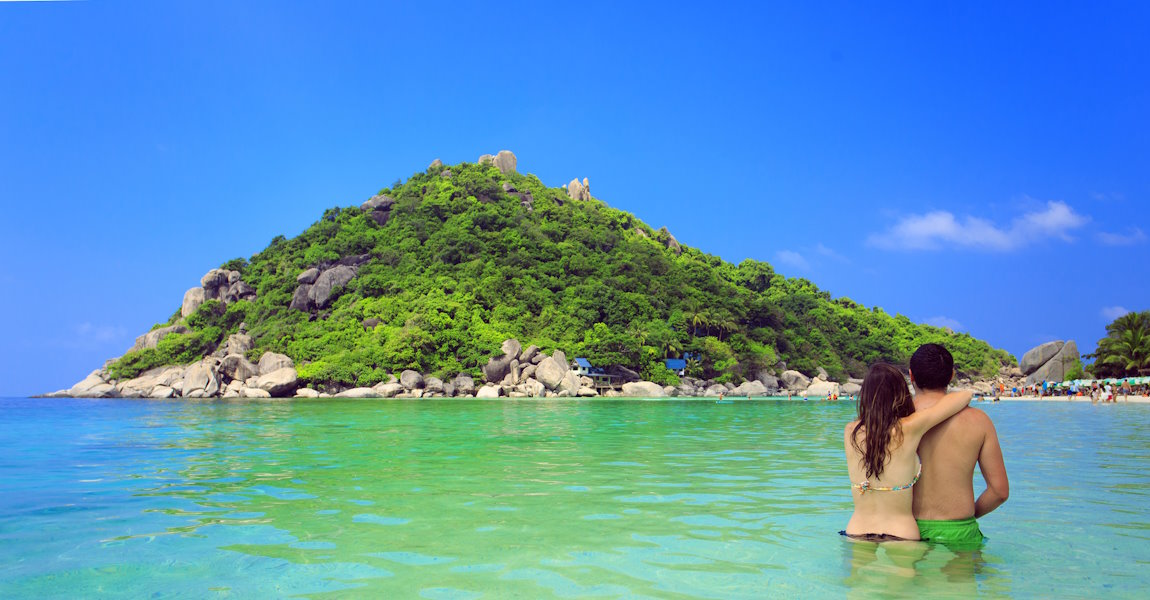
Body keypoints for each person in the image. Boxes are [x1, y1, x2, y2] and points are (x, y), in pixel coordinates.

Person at [842, 363, 974, 542]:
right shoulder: (909, 427)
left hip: (857, 530)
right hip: (901, 532)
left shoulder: (850, 431)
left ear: (865, 395)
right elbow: (964, 396)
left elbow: (876, 425)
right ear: (901, 394)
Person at [909, 344, 1009, 550]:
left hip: (905, 530)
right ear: (952, 375)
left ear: (911, 376)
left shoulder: (896, 419)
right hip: (959, 532)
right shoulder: (979, 421)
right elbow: (999, 492)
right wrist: (966, 513)